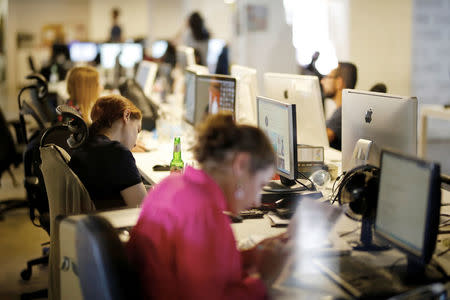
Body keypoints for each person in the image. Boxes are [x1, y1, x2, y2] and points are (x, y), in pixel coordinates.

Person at [127, 113, 288, 299]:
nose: (258, 201)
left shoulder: (173, 184)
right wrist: (266, 279)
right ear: (241, 165)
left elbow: (207, 267)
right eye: (260, 185)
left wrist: (254, 254)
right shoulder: (203, 215)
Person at [69, 94, 147, 210]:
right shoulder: (118, 153)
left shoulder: (86, 144)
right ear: (126, 115)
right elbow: (144, 209)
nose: (135, 143)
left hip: (88, 223)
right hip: (112, 223)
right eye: (137, 130)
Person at [321, 62, 357, 150]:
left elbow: (321, 139)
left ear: (339, 83)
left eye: (327, 77)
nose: (322, 81)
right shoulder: (346, 109)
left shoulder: (343, 112)